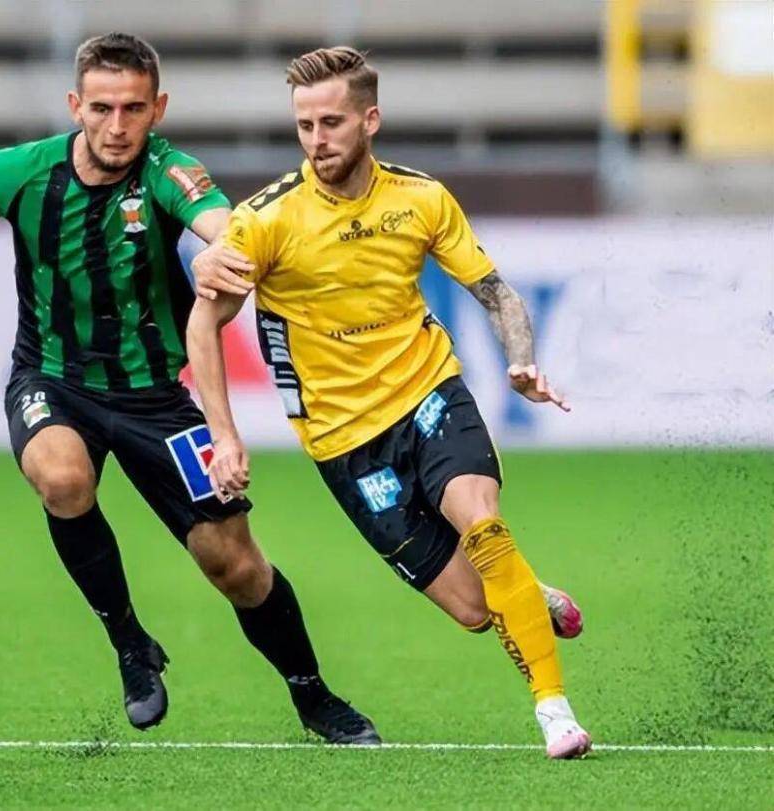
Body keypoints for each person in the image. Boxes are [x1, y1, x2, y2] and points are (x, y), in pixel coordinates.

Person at [0, 33, 378, 744]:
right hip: (52, 381)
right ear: (76, 106)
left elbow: (219, 224)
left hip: (156, 398)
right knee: (62, 478)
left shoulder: (168, 170)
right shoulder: (19, 173)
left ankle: (313, 695)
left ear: (158, 108)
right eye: (101, 108)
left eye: (134, 108)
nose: (117, 126)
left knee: (235, 566)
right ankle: (130, 643)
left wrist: (223, 252)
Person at [186, 46, 591, 759]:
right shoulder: (267, 219)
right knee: (474, 607)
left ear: (369, 120)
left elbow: (494, 292)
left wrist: (521, 358)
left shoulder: (420, 198)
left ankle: (553, 710)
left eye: (332, 123)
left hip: (428, 393)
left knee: (482, 523)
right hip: (343, 441)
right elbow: (204, 324)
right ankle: (528, 594)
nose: (317, 140)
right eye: (304, 125)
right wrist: (225, 435)